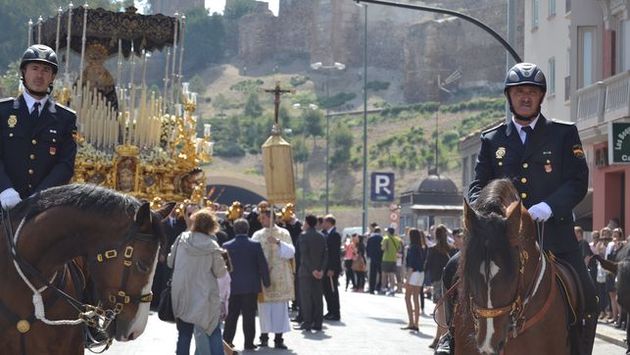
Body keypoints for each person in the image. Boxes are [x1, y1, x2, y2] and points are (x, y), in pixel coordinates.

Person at [442, 62, 597, 354]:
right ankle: (449, 337)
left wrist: (548, 207)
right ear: (509, 96)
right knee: (452, 269)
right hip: (500, 236)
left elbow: (578, 181)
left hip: (552, 234)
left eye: (532, 92)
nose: (525, 97)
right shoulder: (492, 139)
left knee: (589, 295)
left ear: (541, 97)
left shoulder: (563, 134)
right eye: (519, 92)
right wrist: (484, 211)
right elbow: (477, 184)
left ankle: (578, 347)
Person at [0, 44, 77, 209]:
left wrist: (41, 196)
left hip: (44, 208)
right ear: (24, 72)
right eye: (34, 68)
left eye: (46, 70)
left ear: (52, 77)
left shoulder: (65, 118)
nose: (39, 75)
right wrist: (5, 189)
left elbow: (65, 164)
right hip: (4, 201)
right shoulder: (3, 112)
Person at [168, 208, 228, 355]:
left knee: (184, 334)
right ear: (211, 226)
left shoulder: (181, 238)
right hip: (205, 296)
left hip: (183, 293)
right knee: (212, 331)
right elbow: (220, 273)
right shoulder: (213, 246)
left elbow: (170, 262)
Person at [222, 218, 270, 350]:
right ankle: (248, 343)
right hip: (251, 286)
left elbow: (223, 268)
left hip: (232, 286)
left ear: (234, 229)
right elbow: (262, 265)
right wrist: (266, 282)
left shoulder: (227, 246)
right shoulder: (255, 245)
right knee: (249, 316)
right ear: (248, 229)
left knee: (231, 316)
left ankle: (227, 342)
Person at [252, 206, 295, 349]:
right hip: (263, 277)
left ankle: (278, 338)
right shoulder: (258, 235)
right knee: (264, 309)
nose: (261, 220)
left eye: (263, 217)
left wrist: (278, 242)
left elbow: (291, 252)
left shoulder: (284, 233)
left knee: (279, 309)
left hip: (280, 276)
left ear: (271, 218)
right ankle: (264, 337)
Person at [295, 214, 327, 331]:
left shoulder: (303, 236)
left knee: (306, 299)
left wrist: (312, 270)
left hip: (306, 272)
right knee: (318, 298)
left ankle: (307, 322)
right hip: (319, 272)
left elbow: (304, 256)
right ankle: (318, 323)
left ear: (307, 223)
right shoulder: (321, 236)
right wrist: (321, 270)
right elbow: (325, 255)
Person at [401, 228, 427, 332]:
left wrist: (407, 279)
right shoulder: (422, 248)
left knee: (407, 297)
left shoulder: (411, 248)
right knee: (416, 298)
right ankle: (416, 323)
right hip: (421, 273)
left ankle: (411, 322)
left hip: (413, 273)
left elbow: (411, 265)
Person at [321, 214, 342, 321]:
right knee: (327, 291)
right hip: (326, 267)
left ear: (329, 223)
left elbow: (334, 254)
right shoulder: (326, 234)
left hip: (331, 268)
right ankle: (330, 311)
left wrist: (332, 269)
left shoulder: (335, 235)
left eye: (324, 222)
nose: (322, 224)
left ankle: (335, 312)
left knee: (332, 291)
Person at [381, 227, 403, 295]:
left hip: (386, 258)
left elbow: (383, 248)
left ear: (388, 232)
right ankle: (392, 289)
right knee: (392, 274)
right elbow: (399, 249)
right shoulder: (397, 239)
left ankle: (384, 288)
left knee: (384, 274)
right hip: (394, 259)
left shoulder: (385, 239)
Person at [366, 226, 383, 294]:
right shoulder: (381, 238)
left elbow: (367, 248)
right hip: (380, 258)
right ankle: (379, 287)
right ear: (379, 231)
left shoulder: (370, 238)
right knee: (380, 273)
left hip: (372, 258)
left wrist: (368, 256)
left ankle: (371, 289)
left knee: (372, 274)